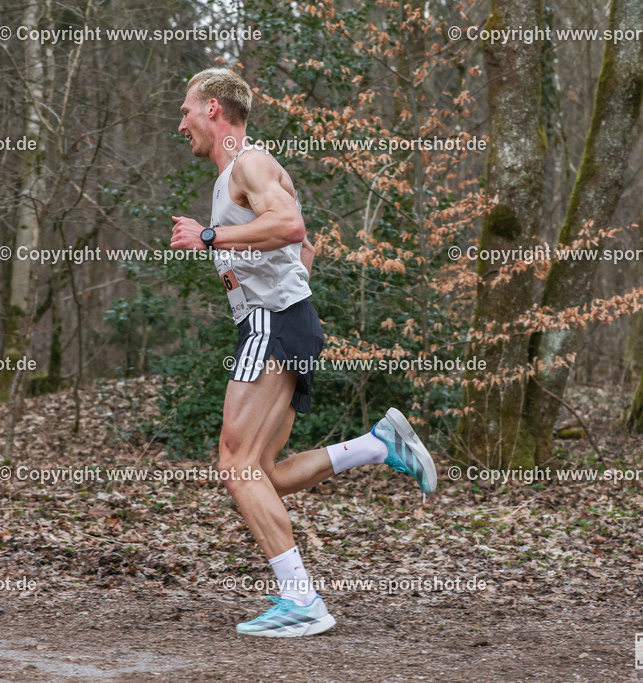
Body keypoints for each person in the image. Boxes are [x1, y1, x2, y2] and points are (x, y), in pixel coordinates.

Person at [170, 68, 437, 637]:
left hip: (274, 326)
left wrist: (211, 239)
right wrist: (290, 307)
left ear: (213, 110)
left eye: (187, 111)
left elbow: (290, 226)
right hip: (282, 324)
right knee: (263, 472)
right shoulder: (232, 179)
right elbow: (306, 247)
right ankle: (376, 445)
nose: (181, 123)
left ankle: (302, 602)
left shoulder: (249, 162)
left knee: (236, 466)